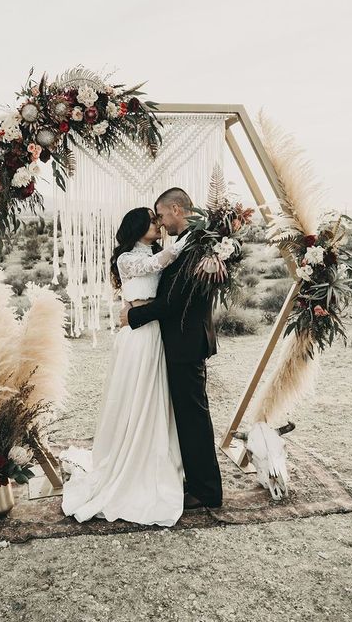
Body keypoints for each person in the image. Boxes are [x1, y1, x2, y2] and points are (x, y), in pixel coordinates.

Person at [60, 207, 189, 526]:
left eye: (158, 219)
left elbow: (162, 266)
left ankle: (154, 456)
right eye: (152, 219)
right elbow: (153, 265)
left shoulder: (159, 249)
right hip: (137, 337)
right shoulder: (127, 258)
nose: (158, 223)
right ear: (137, 227)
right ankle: (130, 460)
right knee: (135, 398)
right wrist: (189, 238)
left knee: (156, 397)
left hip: (155, 331)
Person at [120, 188, 223, 509]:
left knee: (193, 417)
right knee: (187, 415)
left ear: (176, 209)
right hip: (182, 341)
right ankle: (194, 480)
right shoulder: (193, 243)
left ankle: (206, 491)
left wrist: (134, 315)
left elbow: (173, 301)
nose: (161, 224)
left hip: (186, 341)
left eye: (162, 216)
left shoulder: (196, 245)